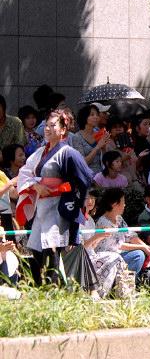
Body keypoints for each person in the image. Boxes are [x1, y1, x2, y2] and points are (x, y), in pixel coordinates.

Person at [16, 108, 95, 285]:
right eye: (46, 125)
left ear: (63, 129)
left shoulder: (68, 152)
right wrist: (35, 185)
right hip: (42, 206)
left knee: (51, 249)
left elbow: (86, 178)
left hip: (58, 206)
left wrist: (75, 197)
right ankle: (41, 286)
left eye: (53, 126)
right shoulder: (40, 152)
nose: (48, 129)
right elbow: (24, 172)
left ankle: (52, 289)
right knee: (36, 249)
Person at [79, 189, 126, 298]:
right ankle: (101, 293)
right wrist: (97, 236)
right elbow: (80, 248)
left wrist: (100, 237)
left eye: (93, 198)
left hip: (92, 255)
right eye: (87, 198)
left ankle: (118, 292)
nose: (90, 201)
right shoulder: (77, 220)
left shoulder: (90, 220)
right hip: (82, 258)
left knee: (115, 258)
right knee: (115, 257)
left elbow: (92, 246)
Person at [71, 105, 112, 174]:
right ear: (84, 117)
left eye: (97, 115)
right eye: (92, 115)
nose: (96, 117)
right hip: (87, 176)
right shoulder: (77, 137)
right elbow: (82, 163)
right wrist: (98, 147)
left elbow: (105, 160)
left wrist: (103, 148)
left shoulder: (99, 133)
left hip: (101, 175)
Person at [0, 144, 25, 235]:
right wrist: (12, 183)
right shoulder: (4, 174)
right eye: (20, 155)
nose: (24, 158)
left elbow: (14, 194)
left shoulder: (26, 172)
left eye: (24, 154)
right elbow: (12, 193)